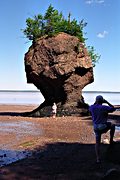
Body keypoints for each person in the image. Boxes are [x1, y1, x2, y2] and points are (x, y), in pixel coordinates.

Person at [89, 95, 119, 163]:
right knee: (112, 125)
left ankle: (98, 159)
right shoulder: (104, 107)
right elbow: (113, 108)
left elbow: (90, 109)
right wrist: (107, 102)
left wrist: (95, 102)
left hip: (96, 127)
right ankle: (111, 140)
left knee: (97, 142)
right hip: (103, 126)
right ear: (102, 101)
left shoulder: (92, 107)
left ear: (96, 101)